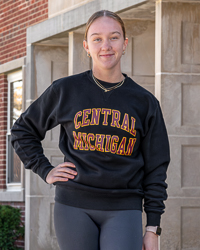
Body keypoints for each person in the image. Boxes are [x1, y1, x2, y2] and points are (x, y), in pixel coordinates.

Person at [11, 10, 170, 250]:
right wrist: (45, 170)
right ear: (86, 46)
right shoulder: (66, 90)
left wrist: (152, 228)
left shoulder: (144, 102)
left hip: (124, 207)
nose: (106, 46)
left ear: (125, 44)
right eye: (97, 38)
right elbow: (22, 130)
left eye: (114, 37)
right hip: (73, 205)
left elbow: (156, 167)